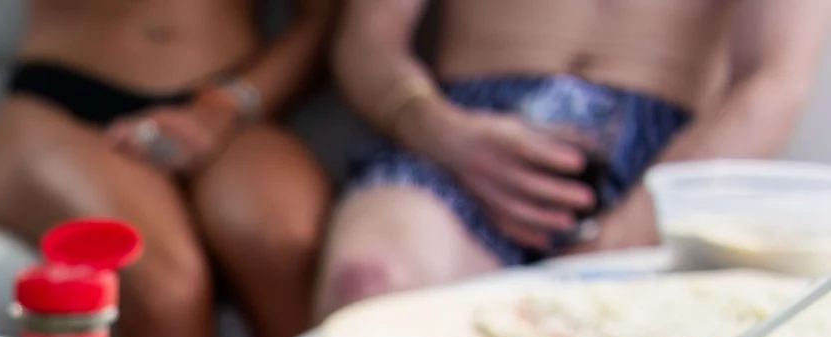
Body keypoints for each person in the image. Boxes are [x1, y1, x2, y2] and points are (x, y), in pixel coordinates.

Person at [0, 0, 336, 337]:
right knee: (165, 285)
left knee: (282, 240)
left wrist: (226, 105)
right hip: (65, 101)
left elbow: (322, 19)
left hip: (236, 100)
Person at [319, 0, 831, 315]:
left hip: (668, 167)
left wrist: (625, 233)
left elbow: (773, 84)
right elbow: (367, 42)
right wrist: (444, 133)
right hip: (460, 130)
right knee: (368, 283)